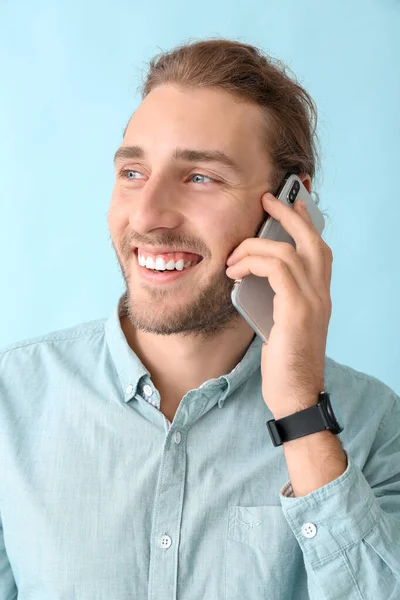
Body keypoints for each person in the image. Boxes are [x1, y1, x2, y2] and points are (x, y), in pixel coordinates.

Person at [0, 38, 399, 600]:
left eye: (200, 177)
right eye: (133, 172)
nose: (148, 215)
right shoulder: (10, 401)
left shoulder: (374, 424)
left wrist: (303, 418)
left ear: (292, 211)